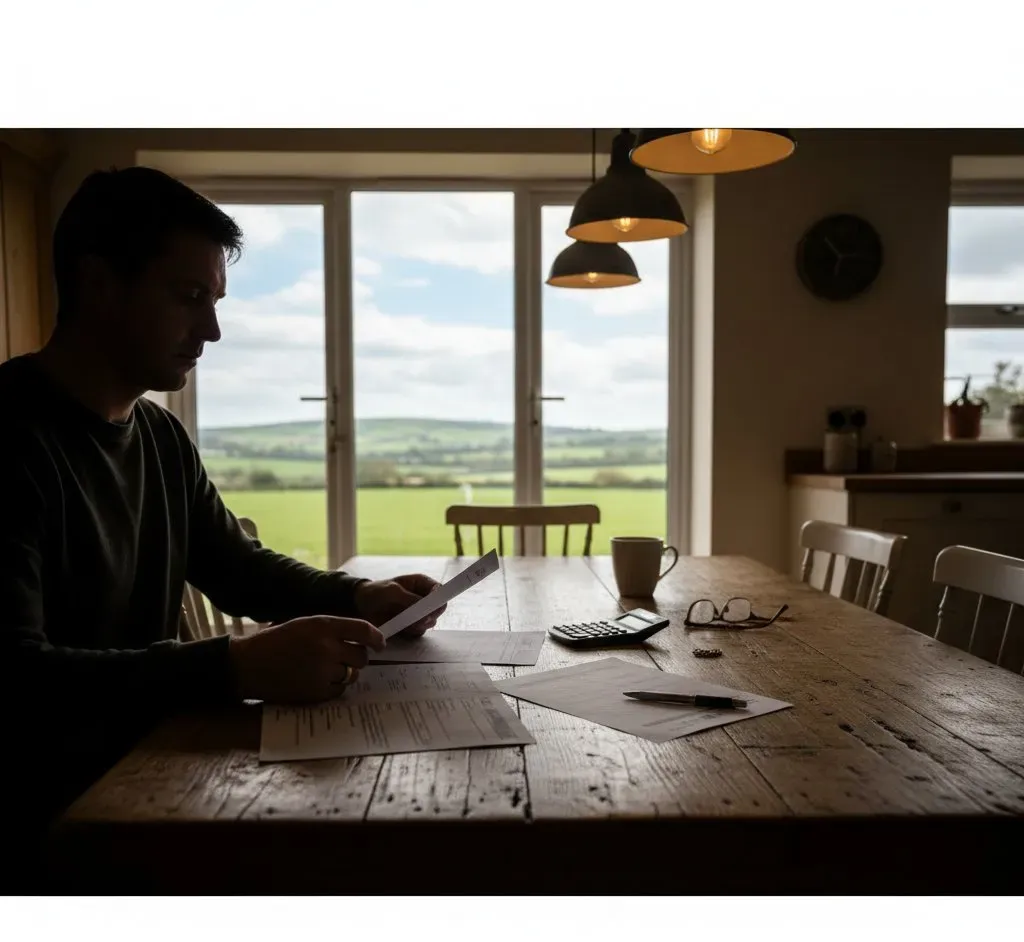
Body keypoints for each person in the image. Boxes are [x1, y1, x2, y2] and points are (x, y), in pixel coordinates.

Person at [0, 167, 447, 861]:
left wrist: (358, 595)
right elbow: (15, 680)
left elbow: (235, 567)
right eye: (188, 297)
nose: (211, 329)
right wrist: (232, 667)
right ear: (96, 283)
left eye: (214, 300)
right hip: (49, 818)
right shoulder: (8, 437)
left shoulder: (159, 434)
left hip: (144, 773)